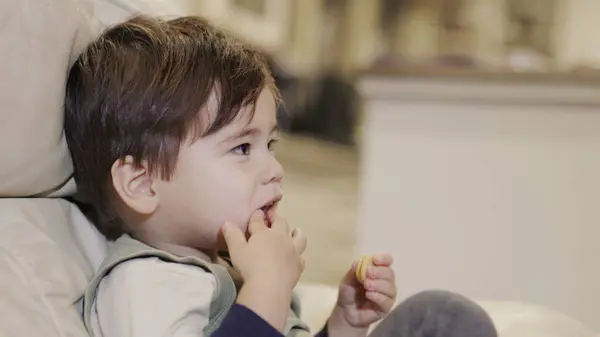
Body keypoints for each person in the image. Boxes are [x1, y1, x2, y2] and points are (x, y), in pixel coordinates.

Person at [64, 15, 497, 337]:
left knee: (440, 318)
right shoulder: (145, 284)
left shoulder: (234, 268)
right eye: (241, 148)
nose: (274, 170)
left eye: (269, 146)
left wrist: (344, 322)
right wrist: (269, 286)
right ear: (142, 183)